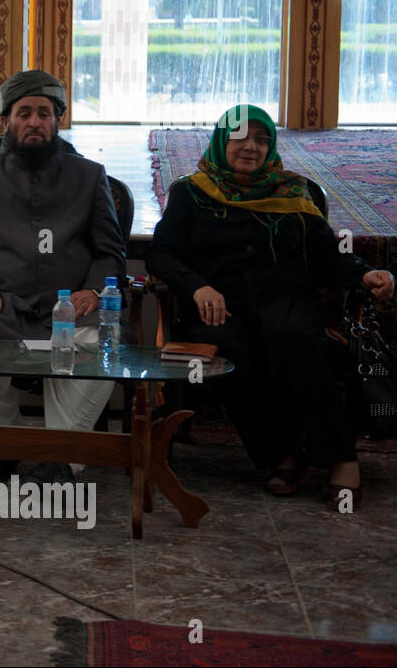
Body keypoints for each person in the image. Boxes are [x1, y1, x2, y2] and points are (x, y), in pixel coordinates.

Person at [146, 104, 394, 508]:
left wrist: (364, 274)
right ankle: (282, 453)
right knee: (226, 349)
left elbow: (326, 257)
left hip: (286, 298)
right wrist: (197, 288)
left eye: (262, 139)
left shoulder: (293, 192)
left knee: (293, 337)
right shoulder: (191, 193)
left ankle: (340, 457)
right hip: (219, 303)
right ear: (223, 139)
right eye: (241, 136)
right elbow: (162, 254)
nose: (251, 147)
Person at [0, 70, 127, 482]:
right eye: (23, 113)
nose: (34, 122)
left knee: (103, 341)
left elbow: (110, 251)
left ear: (57, 120)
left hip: (73, 307)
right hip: (6, 305)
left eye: (44, 113)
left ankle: (61, 452)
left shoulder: (89, 175)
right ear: (4, 121)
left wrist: (95, 291)